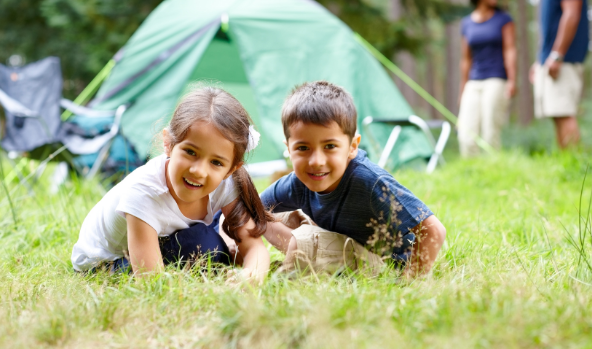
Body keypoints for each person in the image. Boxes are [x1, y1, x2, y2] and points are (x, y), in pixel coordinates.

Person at [71, 87, 272, 282]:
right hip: (105, 263)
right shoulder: (144, 193)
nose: (198, 171)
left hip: (164, 237)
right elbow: (151, 281)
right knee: (205, 245)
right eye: (191, 152)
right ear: (168, 144)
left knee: (210, 244)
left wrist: (250, 277)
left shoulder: (226, 184)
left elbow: (254, 247)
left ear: (231, 169)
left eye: (216, 162)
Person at [260, 81, 446, 277]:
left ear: (352, 147)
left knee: (299, 236)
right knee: (270, 216)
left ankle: (300, 260)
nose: (316, 161)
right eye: (303, 148)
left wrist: (410, 283)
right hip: (341, 241)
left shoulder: (370, 181)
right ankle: (301, 257)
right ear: (288, 149)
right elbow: (252, 206)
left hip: (381, 260)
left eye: (330, 146)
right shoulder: (296, 182)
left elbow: (434, 231)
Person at [529, 0, 588, 148]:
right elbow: (550, 26)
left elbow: (571, 14)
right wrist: (540, 60)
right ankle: (567, 166)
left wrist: (557, 55)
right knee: (556, 114)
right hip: (552, 58)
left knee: (564, 113)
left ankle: (577, 172)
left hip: (565, 58)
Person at [458, 0, 517, 157]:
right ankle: (473, 173)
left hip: (496, 78)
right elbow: (466, 59)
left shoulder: (503, 19)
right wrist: (463, 88)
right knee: (465, 134)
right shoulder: (467, 23)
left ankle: (494, 173)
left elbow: (510, 50)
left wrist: (512, 80)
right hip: (474, 81)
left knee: (490, 131)